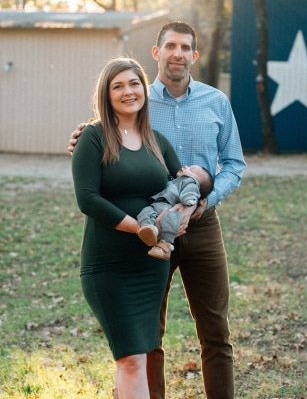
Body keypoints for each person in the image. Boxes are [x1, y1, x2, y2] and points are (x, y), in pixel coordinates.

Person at [69, 22, 246, 399]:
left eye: (185, 47)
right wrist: (83, 137)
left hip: (201, 225)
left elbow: (233, 164)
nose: (177, 53)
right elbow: (107, 134)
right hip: (149, 228)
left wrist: (204, 202)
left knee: (216, 331)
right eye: (170, 46)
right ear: (157, 52)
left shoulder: (216, 102)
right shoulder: (136, 97)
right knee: (149, 334)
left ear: (194, 56)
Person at [71, 57, 184, 399]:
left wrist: (176, 217)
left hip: (149, 267)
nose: (128, 92)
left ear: (144, 90)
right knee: (131, 358)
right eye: (117, 86)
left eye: (134, 83)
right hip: (108, 266)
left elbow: (180, 187)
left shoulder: (157, 141)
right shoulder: (92, 138)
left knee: (139, 356)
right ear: (106, 95)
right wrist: (140, 228)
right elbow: (87, 199)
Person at [137, 165, 214, 260]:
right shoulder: (175, 180)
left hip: (169, 207)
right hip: (156, 205)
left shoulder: (190, 183)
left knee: (170, 220)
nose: (186, 166)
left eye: (191, 169)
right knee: (145, 212)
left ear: (196, 182)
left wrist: (189, 201)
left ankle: (165, 245)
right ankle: (148, 229)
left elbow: (190, 192)